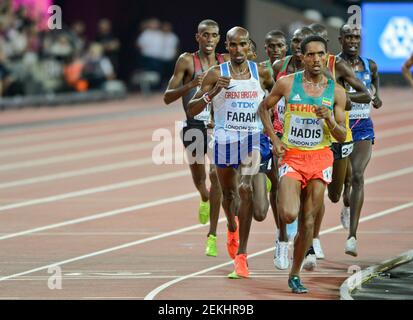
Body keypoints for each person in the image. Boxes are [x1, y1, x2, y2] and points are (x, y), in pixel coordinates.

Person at [259, 35, 347, 293]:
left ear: (326, 56)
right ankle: (286, 236)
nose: (316, 59)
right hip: (293, 156)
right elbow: (263, 108)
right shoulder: (287, 84)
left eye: (320, 54)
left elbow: (341, 135)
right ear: (302, 57)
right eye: (310, 54)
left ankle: (294, 274)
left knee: (308, 221)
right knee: (288, 214)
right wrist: (274, 139)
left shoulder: (336, 92)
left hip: (320, 158)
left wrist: (329, 119)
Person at [188, 27, 274, 274]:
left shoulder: (263, 73)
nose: (238, 50)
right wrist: (212, 93)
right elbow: (192, 110)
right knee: (229, 196)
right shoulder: (215, 73)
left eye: (243, 45)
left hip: (252, 138)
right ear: (227, 46)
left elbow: (275, 101)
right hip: (225, 140)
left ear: (249, 47)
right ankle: (232, 228)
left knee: (246, 188)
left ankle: (242, 255)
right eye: (233, 45)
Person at [303, 23, 372, 269]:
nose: (316, 56)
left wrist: (339, 96)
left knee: (342, 187)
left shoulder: (337, 66)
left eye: (320, 49)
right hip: (312, 141)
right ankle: (311, 244)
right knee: (314, 191)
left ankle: (348, 218)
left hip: (345, 133)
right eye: (311, 51)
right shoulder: (294, 72)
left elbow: (367, 95)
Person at [163, 19, 225, 257]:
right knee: (200, 178)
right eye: (205, 35)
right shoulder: (187, 60)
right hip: (194, 126)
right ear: (197, 37)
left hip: (217, 127)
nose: (210, 40)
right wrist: (190, 84)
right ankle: (203, 196)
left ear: (219, 39)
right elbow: (167, 97)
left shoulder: (224, 62)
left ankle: (212, 235)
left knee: (216, 176)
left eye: (214, 35)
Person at [270, 26, 313, 270]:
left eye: (303, 41)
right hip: (283, 139)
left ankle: (308, 243)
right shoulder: (280, 68)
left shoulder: (322, 71)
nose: (298, 45)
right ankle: (283, 238)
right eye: (295, 40)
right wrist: (274, 136)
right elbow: (267, 101)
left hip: (312, 144)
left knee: (309, 196)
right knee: (283, 190)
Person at [337, 24, 382, 256]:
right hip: (339, 127)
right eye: (348, 37)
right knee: (342, 186)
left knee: (357, 175)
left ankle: (352, 236)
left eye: (356, 37)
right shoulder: (333, 65)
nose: (353, 41)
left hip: (363, 125)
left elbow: (374, 88)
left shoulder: (370, 65)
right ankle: (345, 196)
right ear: (340, 39)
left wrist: (376, 99)